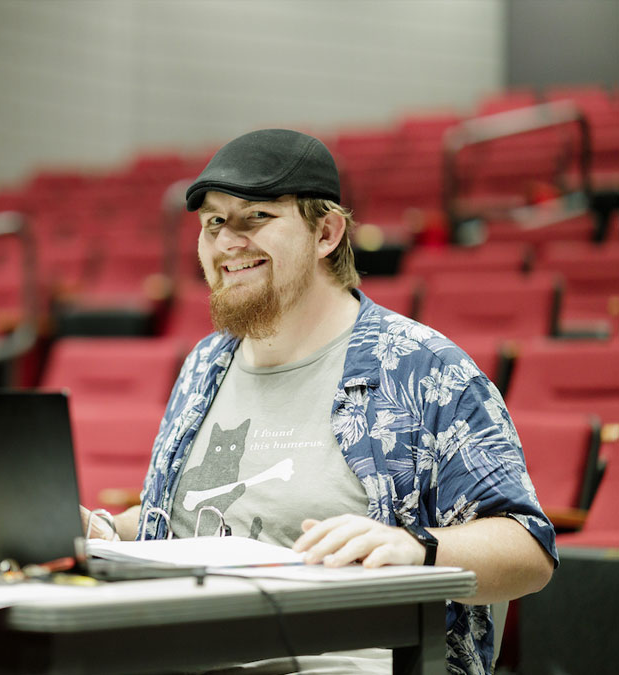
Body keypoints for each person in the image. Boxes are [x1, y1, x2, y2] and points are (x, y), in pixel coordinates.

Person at [81, 129, 557, 675]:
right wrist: (101, 530)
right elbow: (184, 521)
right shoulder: (205, 365)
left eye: (255, 217)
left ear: (326, 232)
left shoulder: (422, 368)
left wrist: (415, 547)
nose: (227, 242)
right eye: (213, 222)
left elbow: (528, 550)